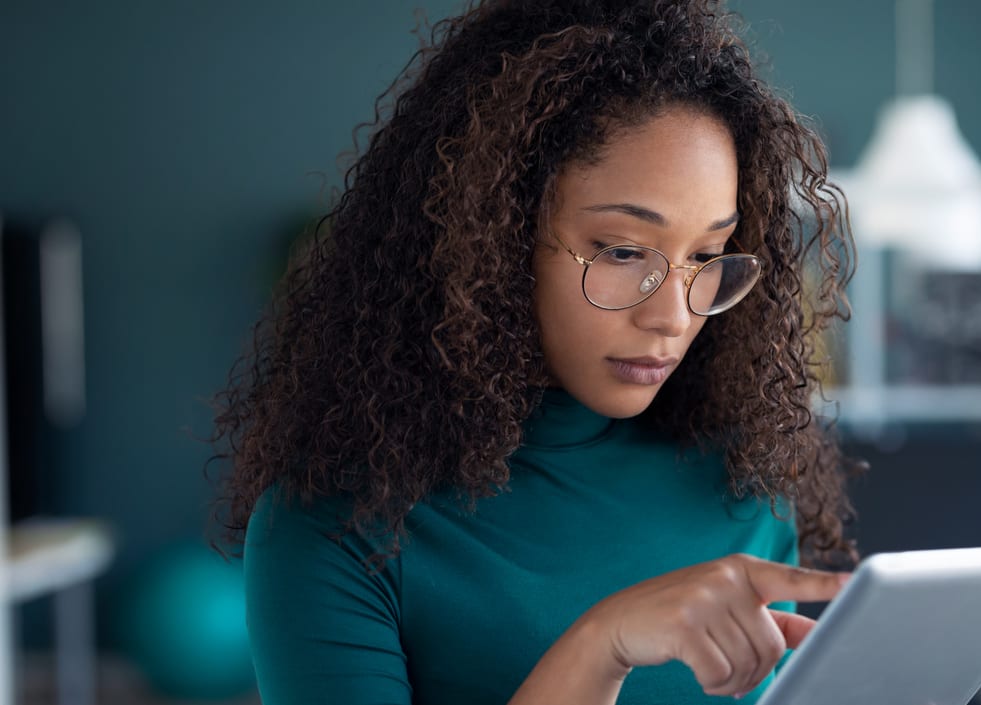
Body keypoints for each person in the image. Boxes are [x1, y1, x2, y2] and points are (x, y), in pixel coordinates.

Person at [209, 1, 861, 703]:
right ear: (491, 239)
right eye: (621, 250)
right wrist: (601, 644)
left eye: (706, 254)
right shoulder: (337, 528)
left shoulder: (741, 490)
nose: (672, 315)